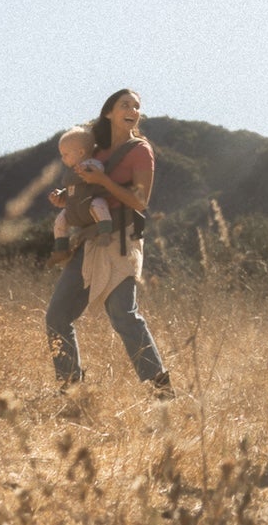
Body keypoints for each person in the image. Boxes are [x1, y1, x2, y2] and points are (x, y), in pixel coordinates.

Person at [43, 88, 172, 396]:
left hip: (121, 239)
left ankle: (162, 393)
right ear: (109, 112)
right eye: (125, 104)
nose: (133, 109)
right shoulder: (94, 150)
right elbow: (82, 190)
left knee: (123, 314)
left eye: (137, 106)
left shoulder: (141, 150)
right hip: (88, 241)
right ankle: (71, 391)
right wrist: (66, 200)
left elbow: (140, 201)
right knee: (57, 316)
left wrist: (104, 181)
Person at [50, 125, 114, 261]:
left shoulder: (91, 164)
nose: (63, 159)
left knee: (99, 204)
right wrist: (61, 194)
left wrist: (88, 169)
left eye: (65, 154)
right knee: (60, 220)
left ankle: (105, 232)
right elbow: (71, 189)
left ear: (80, 153)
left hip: (89, 204)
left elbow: (99, 168)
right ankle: (61, 248)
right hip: (74, 209)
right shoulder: (71, 172)